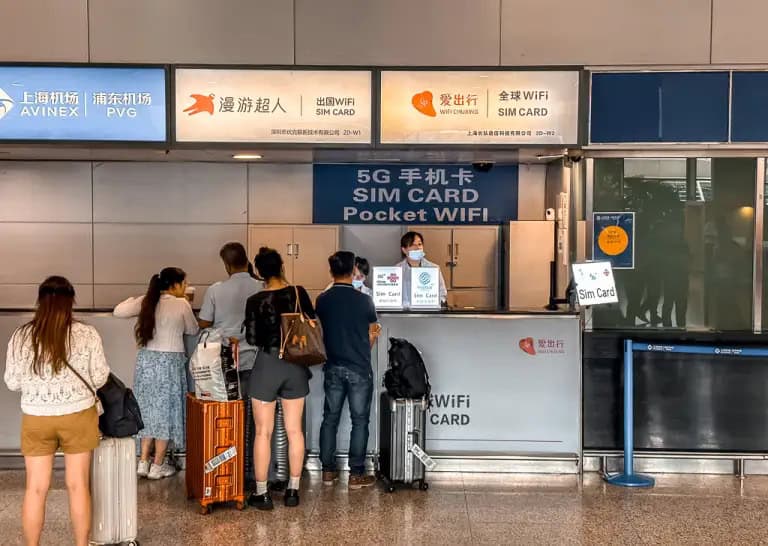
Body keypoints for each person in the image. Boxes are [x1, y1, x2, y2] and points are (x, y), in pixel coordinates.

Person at [4, 277, 110, 546]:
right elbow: (99, 377)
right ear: (71, 301)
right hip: (78, 416)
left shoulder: (21, 336)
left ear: (40, 301)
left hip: (37, 418)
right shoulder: (87, 334)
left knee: (36, 489)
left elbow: (12, 382)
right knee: (77, 486)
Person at [244, 247, 315, 510]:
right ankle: (293, 491)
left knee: (263, 432)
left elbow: (252, 338)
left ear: (259, 272)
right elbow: (312, 321)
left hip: (267, 364)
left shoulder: (254, 300)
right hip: (294, 364)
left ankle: (262, 494)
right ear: (282, 265)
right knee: (294, 430)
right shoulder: (298, 292)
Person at [114, 267, 198, 480]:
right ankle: (158, 464)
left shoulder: (148, 301)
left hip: (147, 361)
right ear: (176, 285)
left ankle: (143, 461)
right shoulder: (182, 304)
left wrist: (139, 297)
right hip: (170, 363)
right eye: (184, 284)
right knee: (166, 412)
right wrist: (188, 301)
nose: (186, 288)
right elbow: (193, 329)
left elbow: (118, 311)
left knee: (147, 410)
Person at [198, 242, 262, 488]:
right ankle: (251, 473)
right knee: (254, 420)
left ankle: (229, 471)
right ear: (247, 261)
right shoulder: (260, 287)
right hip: (253, 359)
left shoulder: (216, 290)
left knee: (227, 418)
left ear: (226, 265)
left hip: (224, 363)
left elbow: (204, 322)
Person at [316, 252, 381, 489]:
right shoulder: (364, 301)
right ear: (352, 269)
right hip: (359, 368)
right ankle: (356, 474)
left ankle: (327, 471)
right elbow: (372, 333)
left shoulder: (322, 300)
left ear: (331, 271)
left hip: (333, 366)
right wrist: (369, 342)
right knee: (360, 420)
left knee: (330, 419)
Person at [396, 231, 448, 308]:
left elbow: (442, 293)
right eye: (413, 245)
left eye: (420, 244)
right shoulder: (397, 270)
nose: (417, 248)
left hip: (429, 313)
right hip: (405, 315)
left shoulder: (434, 268)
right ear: (404, 250)